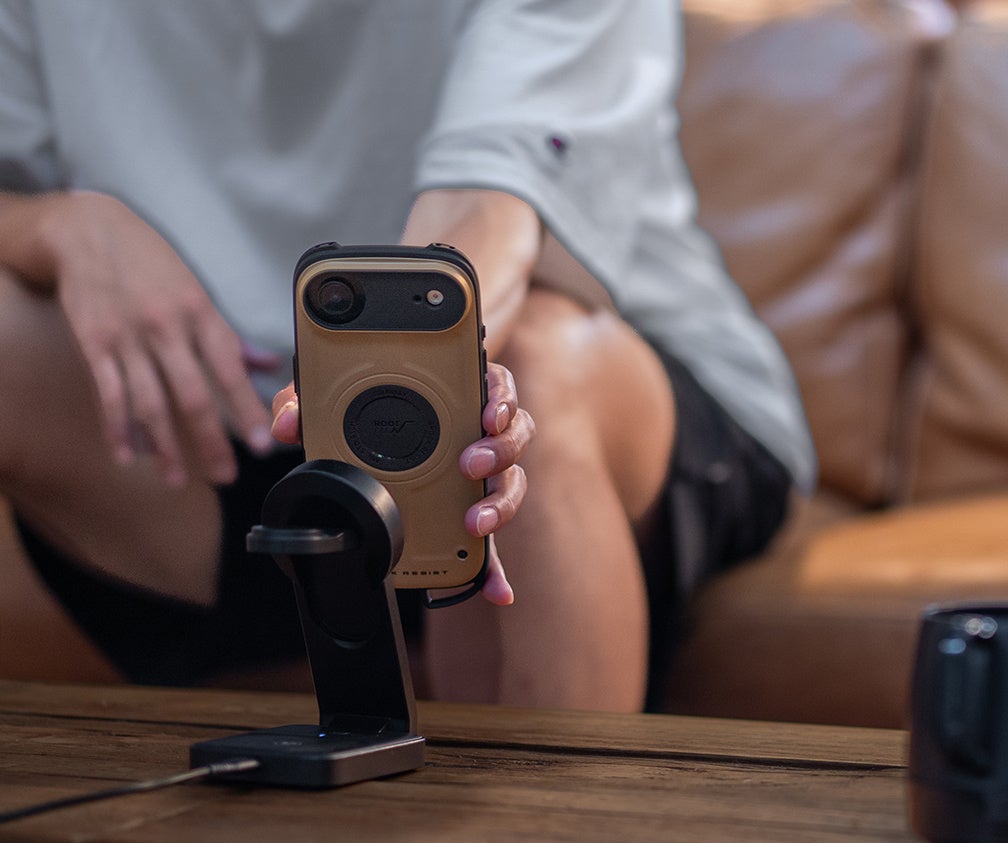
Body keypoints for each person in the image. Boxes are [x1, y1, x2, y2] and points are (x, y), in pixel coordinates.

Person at [0, 1, 815, 713]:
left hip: (617, 399)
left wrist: (393, 388)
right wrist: (60, 227)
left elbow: (485, 212)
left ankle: (546, 829)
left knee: (516, 377)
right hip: (237, 425)